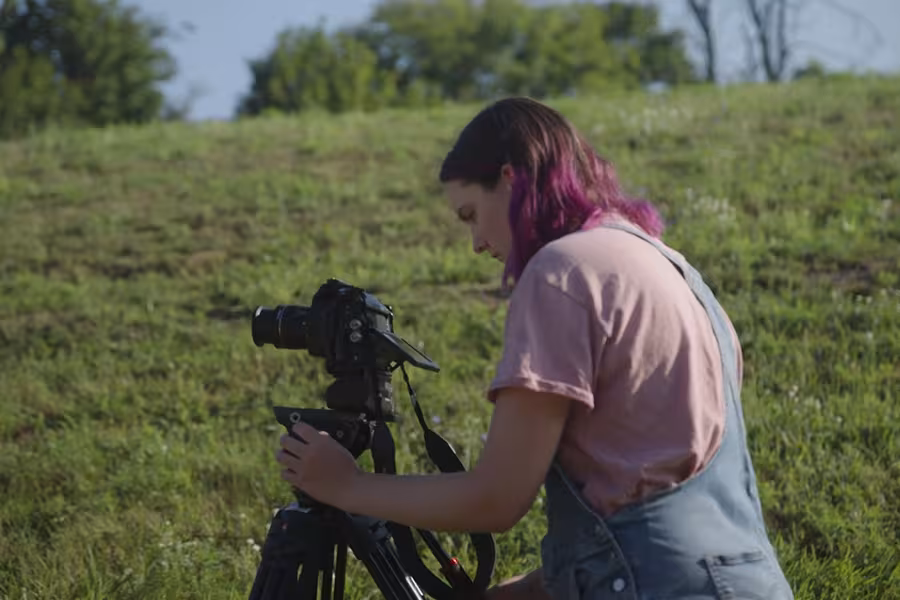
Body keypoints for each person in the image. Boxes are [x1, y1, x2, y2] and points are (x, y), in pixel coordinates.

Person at [275, 96, 795, 599]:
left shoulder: (561, 272)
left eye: (470, 215)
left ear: (510, 178)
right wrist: (531, 590)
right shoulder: (678, 275)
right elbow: (647, 497)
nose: (476, 243)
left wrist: (346, 485)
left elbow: (498, 498)